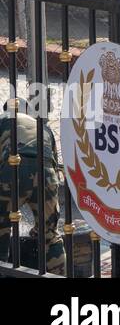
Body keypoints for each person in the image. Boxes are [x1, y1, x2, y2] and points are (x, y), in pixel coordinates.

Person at [0, 112, 66, 274]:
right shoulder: (45, 129)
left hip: (15, 168)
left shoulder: (3, 122)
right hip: (47, 173)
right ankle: (58, 275)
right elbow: (55, 165)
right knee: (50, 235)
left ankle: (3, 269)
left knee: (2, 229)